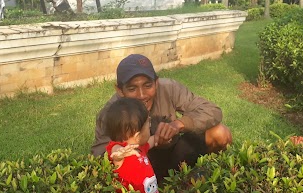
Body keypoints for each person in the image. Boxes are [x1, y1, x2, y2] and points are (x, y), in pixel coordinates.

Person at [92, 53, 232, 181]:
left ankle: (198, 179)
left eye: (148, 85)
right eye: (132, 88)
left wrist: (178, 124)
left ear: (156, 82)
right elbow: (99, 155)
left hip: (176, 153)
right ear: (120, 90)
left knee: (220, 132)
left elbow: (212, 110)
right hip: (139, 165)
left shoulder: (169, 88)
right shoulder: (110, 112)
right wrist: (124, 152)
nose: (142, 95)